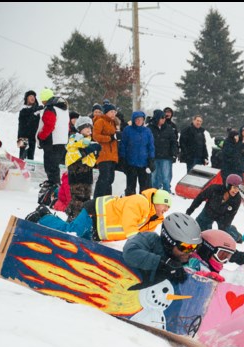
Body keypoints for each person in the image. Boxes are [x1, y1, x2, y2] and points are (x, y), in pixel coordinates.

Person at [31, 189, 171, 242]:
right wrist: (137, 245)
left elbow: (145, 239)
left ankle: (45, 216)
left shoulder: (154, 219)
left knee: (79, 242)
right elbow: (130, 224)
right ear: (157, 202)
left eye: (168, 208)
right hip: (96, 213)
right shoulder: (141, 202)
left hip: (99, 230)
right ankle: (42, 216)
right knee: (71, 231)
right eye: (165, 205)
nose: (166, 209)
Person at [124, 213, 202, 285]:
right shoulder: (150, 240)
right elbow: (130, 253)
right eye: (185, 247)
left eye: (194, 246)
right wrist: (163, 263)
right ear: (169, 242)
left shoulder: (190, 260)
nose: (190, 252)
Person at [186, 174, 244, 242]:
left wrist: (224, 229)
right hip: (208, 212)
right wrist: (190, 210)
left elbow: (231, 215)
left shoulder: (237, 199)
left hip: (223, 217)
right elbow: (200, 198)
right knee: (200, 233)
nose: (236, 191)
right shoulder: (214, 189)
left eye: (238, 188)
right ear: (228, 186)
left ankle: (236, 235)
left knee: (226, 235)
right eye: (234, 187)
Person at [62, 116, 100, 219]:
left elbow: (91, 161)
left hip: (87, 176)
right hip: (76, 175)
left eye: (90, 127)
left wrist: (96, 153)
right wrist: (88, 150)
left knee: (87, 199)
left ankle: (83, 220)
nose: (88, 129)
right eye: (85, 127)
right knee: (77, 198)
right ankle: (73, 218)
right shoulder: (74, 140)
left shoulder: (90, 142)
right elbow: (73, 156)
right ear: (79, 129)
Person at [35, 88, 69, 187]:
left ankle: (54, 185)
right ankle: (56, 183)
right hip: (62, 140)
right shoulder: (63, 109)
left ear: (44, 100)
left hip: (52, 141)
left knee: (50, 165)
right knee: (55, 165)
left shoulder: (50, 109)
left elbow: (49, 125)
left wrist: (41, 137)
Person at [119, 111, 155, 195]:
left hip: (144, 164)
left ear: (143, 120)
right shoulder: (127, 130)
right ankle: (131, 204)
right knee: (130, 188)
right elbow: (123, 145)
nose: (139, 121)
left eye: (141, 119)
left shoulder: (147, 131)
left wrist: (151, 160)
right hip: (131, 163)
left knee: (145, 188)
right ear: (133, 120)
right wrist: (122, 158)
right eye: (137, 119)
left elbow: (151, 146)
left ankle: (144, 205)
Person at [92, 103, 120, 197]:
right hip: (103, 154)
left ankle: (107, 200)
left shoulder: (113, 123)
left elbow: (114, 137)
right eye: (111, 111)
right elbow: (95, 136)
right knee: (104, 178)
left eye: (114, 112)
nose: (113, 114)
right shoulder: (100, 121)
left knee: (110, 179)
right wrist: (110, 138)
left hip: (112, 155)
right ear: (106, 112)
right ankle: (97, 199)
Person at [149, 109, 179, 194]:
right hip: (153, 156)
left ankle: (166, 192)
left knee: (166, 176)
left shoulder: (169, 128)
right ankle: (154, 192)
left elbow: (174, 142)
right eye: (161, 117)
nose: (163, 119)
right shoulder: (149, 128)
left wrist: (174, 154)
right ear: (157, 118)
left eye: (164, 117)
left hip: (166, 157)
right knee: (154, 177)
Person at [17, 90, 40, 160]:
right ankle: (20, 170)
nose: (33, 98)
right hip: (22, 137)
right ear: (26, 98)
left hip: (32, 137)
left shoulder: (37, 109)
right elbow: (20, 125)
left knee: (30, 158)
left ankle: (29, 171)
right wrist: (19, 137)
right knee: (21, 158)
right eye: (30, 96)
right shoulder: (22, 110)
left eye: (34, 96)